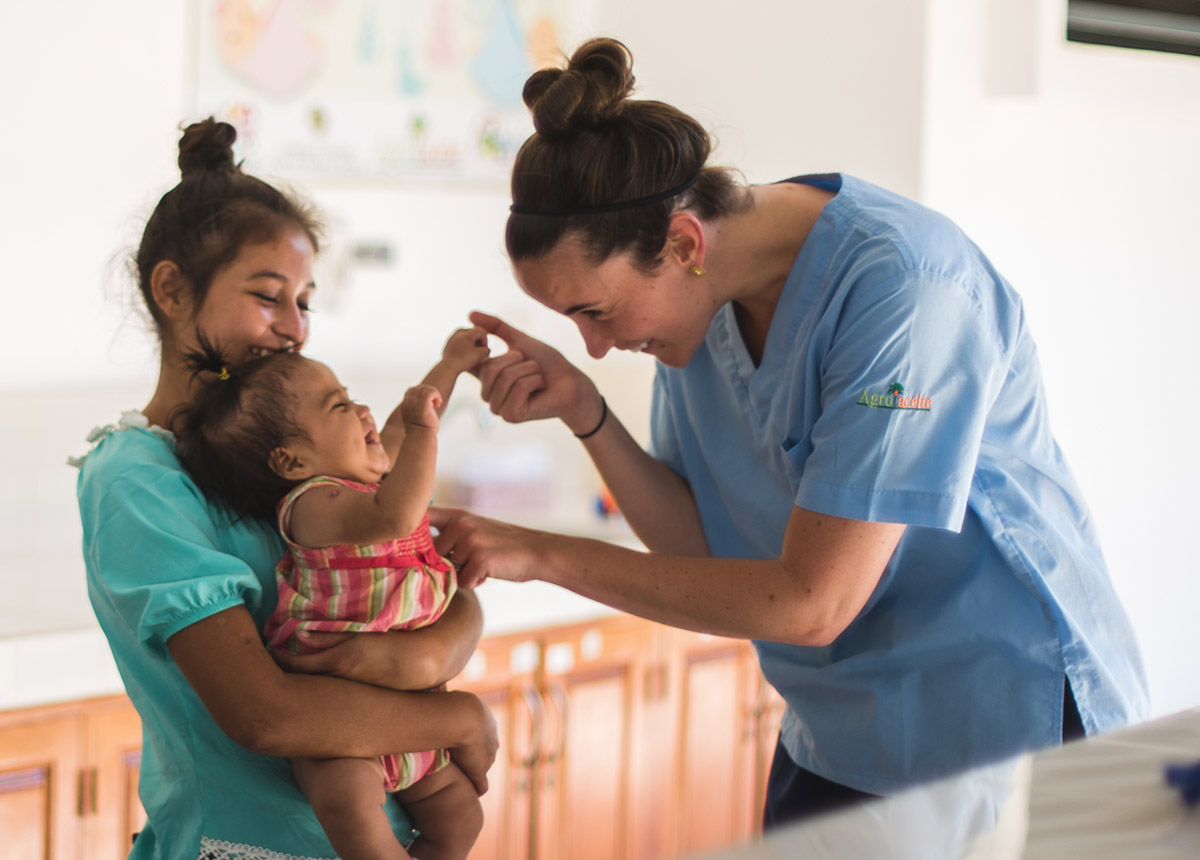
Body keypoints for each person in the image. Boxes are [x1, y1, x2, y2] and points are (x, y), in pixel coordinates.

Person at [429, 37, 1149, 827]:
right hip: (839, 731)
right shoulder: (699, 310)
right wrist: (585, 412)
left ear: (683, 244)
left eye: (594, 313)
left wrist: (539, 552)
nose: (594, 344)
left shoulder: (906, 291)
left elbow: (814, 601)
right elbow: (697, 552)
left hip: (1003, 730)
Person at [73, 118, 497, 860]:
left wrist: (432, 655)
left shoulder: (297, 457)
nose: (294, 328)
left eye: (305, 302)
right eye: (269, 297)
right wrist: (456, 720)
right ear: (171, 289)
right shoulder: (134, 478)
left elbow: (436, 605)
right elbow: (264, 717)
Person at [171, 328, 490, 860]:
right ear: (291, 462)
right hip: (342, 725)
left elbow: (397, 427)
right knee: (352, 812)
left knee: (462, 818)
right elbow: (396, 515)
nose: (362, 408)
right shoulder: (314, 503)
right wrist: (424, 430)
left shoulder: (369, 475)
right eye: (339, 405)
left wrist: (449, 366)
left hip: (407, 711)